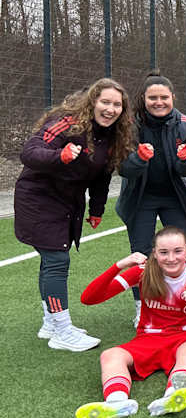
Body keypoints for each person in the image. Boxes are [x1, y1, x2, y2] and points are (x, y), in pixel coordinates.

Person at [15, 78, 134, 351]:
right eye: (105, 102)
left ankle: (50, 322)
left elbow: (102, 176)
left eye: (117, 105)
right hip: (38, 199)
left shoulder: (113, 136)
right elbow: (30, 152)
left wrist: (97, 209)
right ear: (92, 101)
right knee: (57, 260)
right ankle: (62, 329)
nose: (110, 109)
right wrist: (60, 156)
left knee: (51, 260)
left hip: (68, 203)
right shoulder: (67, 123)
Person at [74, 226, 186, 418]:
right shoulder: (143, 272)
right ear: (154, 253)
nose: (171, 258)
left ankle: (174, 394)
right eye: (163, 252)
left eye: (177, 251)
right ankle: (117, 402)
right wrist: (119, 265)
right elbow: (89, 298)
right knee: (110, 355)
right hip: (149, 337)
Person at [116, 71, 186, 323]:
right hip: (141, 197)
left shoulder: (184, 124)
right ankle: (143, 306)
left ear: (172, 97)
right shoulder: (129, 125)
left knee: (184, 249)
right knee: (141, 253)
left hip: (174, 196)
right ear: (143, 98)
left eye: (164, 97)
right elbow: (123, 168)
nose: (159, 102)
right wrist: (138, 159)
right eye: (153, 98)